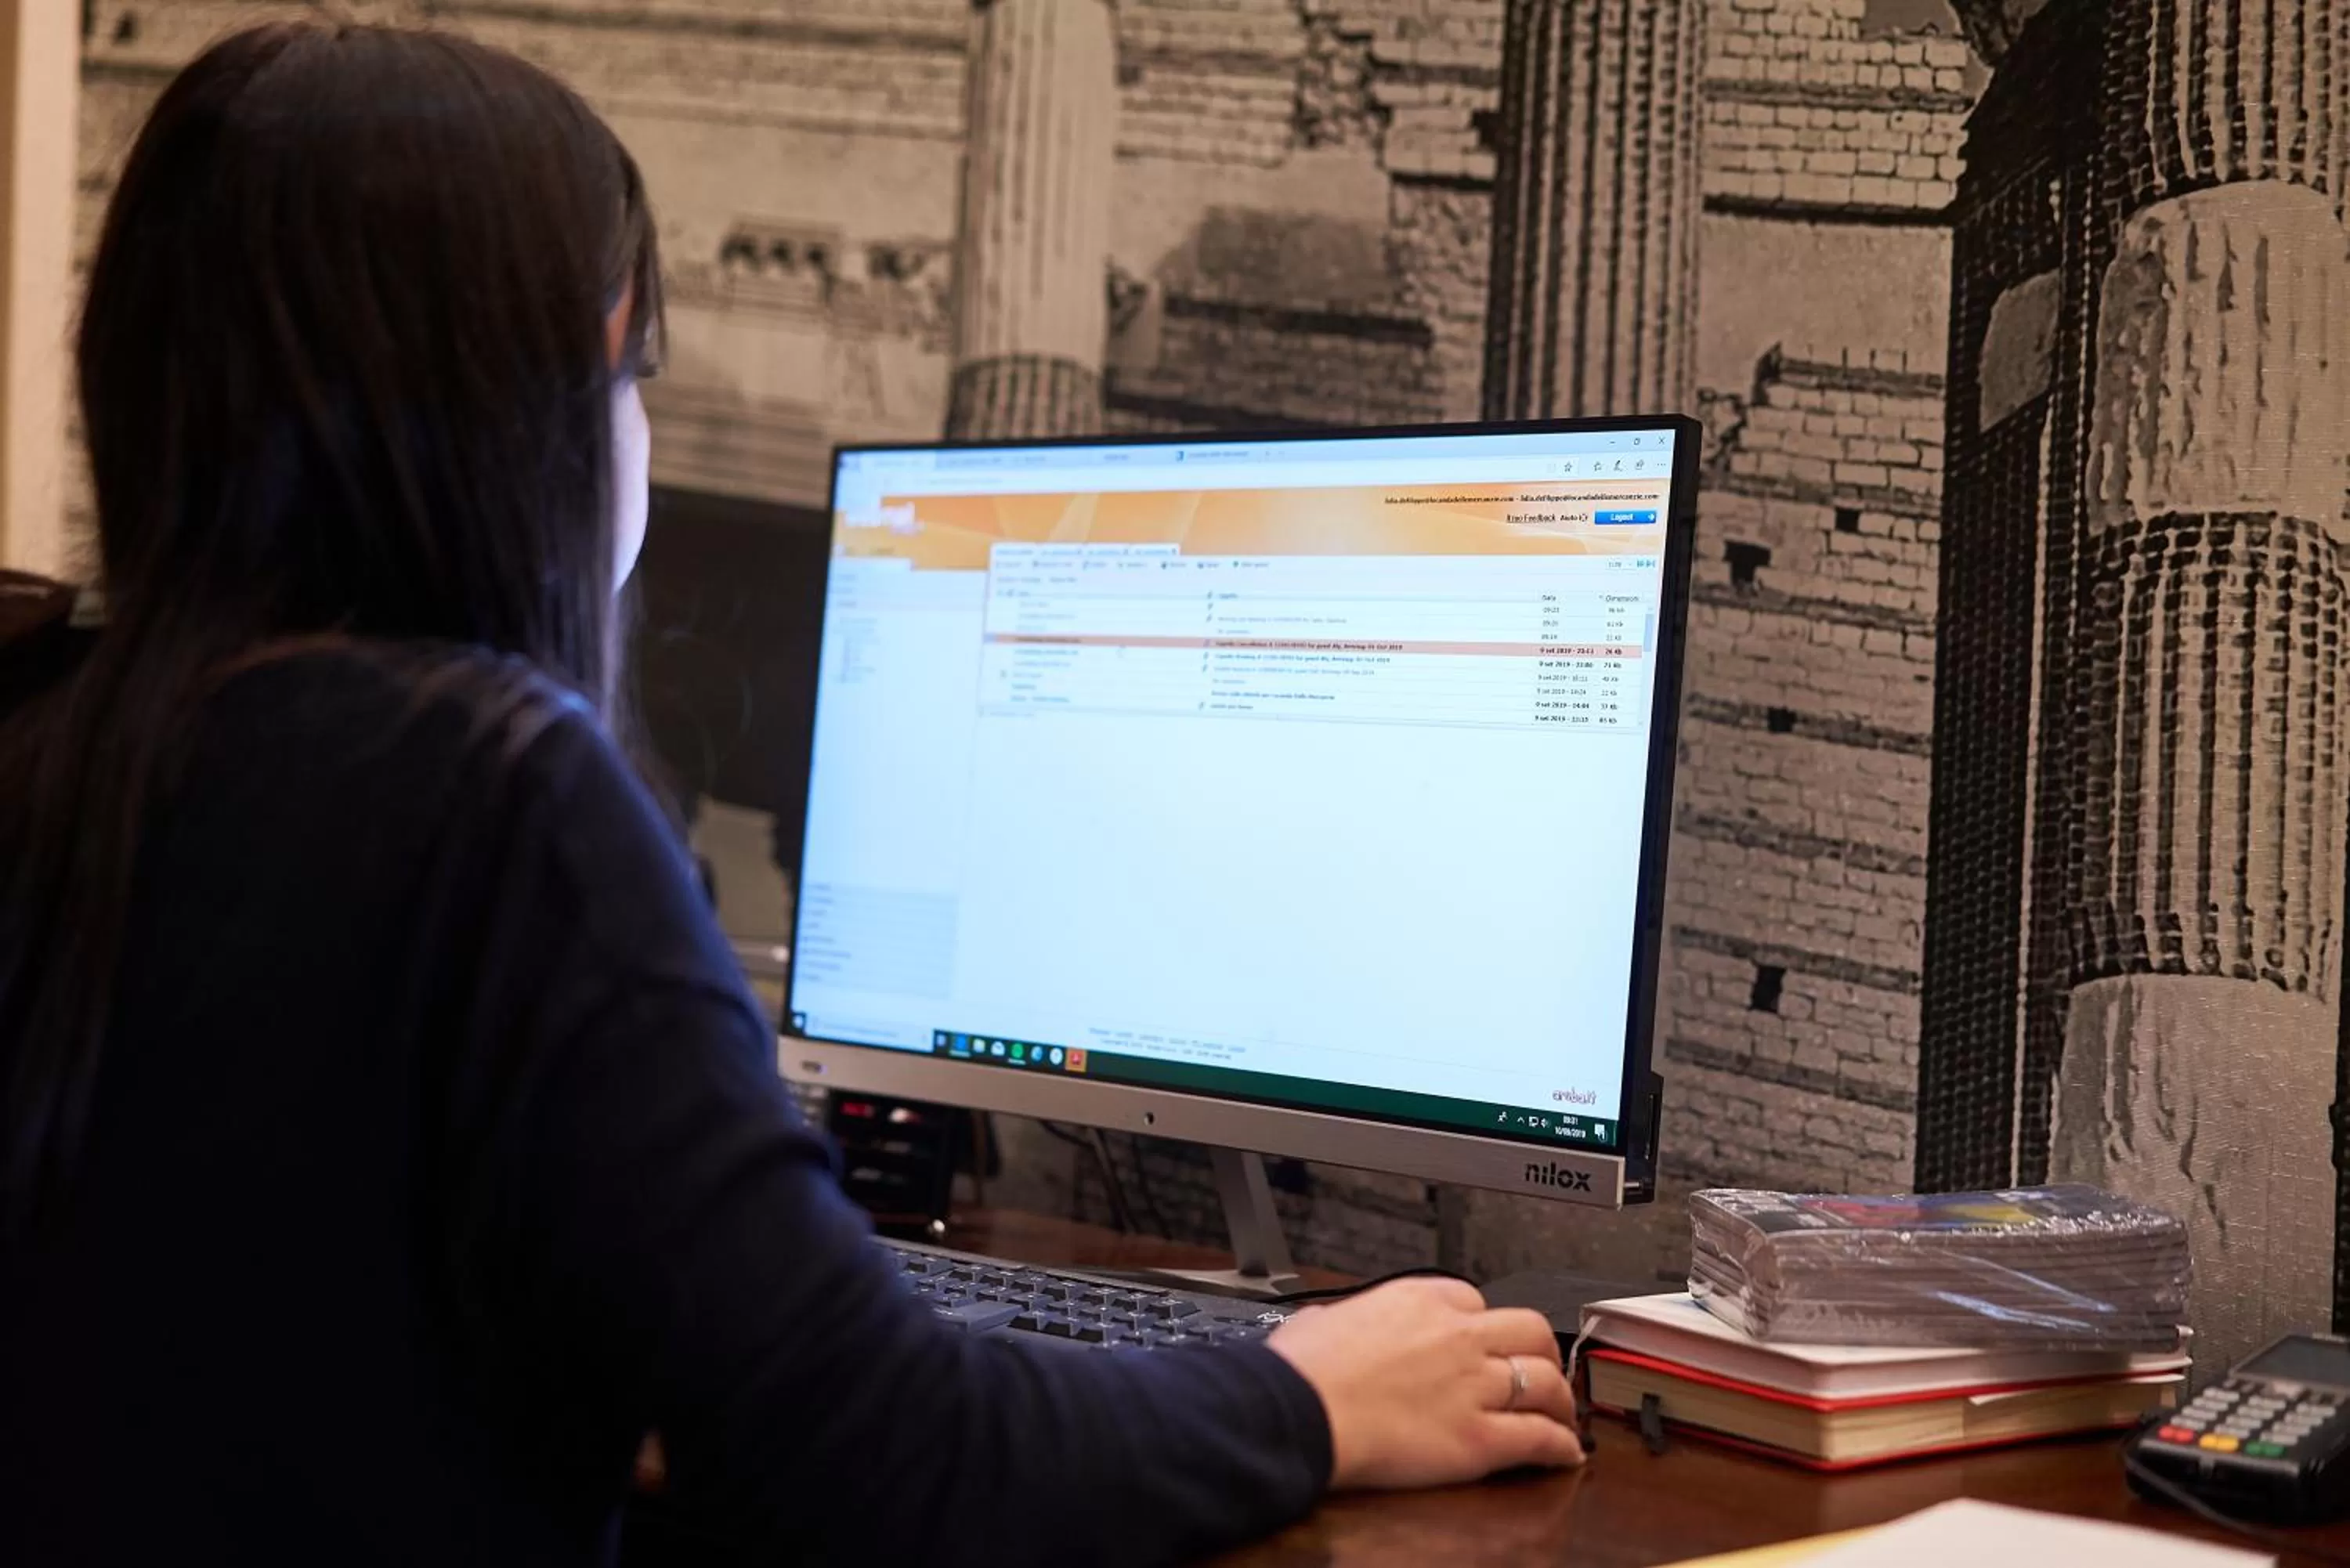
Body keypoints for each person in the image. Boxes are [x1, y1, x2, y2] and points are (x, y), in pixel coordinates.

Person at [0, 21, 1582, 1567]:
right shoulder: (505, 803)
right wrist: (1308, 1391)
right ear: (545, 402)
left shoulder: (55, 739)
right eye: (640, 373)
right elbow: (890, 1458)